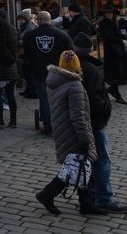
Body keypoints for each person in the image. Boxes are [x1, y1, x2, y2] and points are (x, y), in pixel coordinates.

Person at [35, 50, 99, 216]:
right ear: (77, 67)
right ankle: (48, 194)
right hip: (73, 132)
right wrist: (85, 138)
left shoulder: (55, 81)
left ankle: (85, 203)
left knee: (78, 166)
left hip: (62, 129)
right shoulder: (74, 85)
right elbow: (78, 116)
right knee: (78, 166)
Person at [73, 33, 127, 214]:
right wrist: (105, 108)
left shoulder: (71, 67)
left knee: (90, 159)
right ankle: (103, 198)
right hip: (93, 122)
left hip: (80, 121)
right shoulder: (90, 70)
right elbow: (95, 99)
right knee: (101, 160)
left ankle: (93, 195)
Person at [21, 11, 72, 134]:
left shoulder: (30, 35)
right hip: (59, 72)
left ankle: (49, 126)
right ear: (50, 20)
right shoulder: (62, 35)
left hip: (40, 72)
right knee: (60, 99)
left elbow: (25, 54)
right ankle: (61, 124)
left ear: (38, 20)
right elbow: (70, 53)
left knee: (44, 99)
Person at [97, 11, 127, 104]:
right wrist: (121, 40)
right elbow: (108, 37)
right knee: (114, 74)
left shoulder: (114, 22)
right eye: (107, 13)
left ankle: (113, 91)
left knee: (120, 73)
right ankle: (115, 93)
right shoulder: (104, 24)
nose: (109, 14)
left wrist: (122, 37)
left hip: (117, 52)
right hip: (112, 52)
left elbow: (117, 34)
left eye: (110, 13)